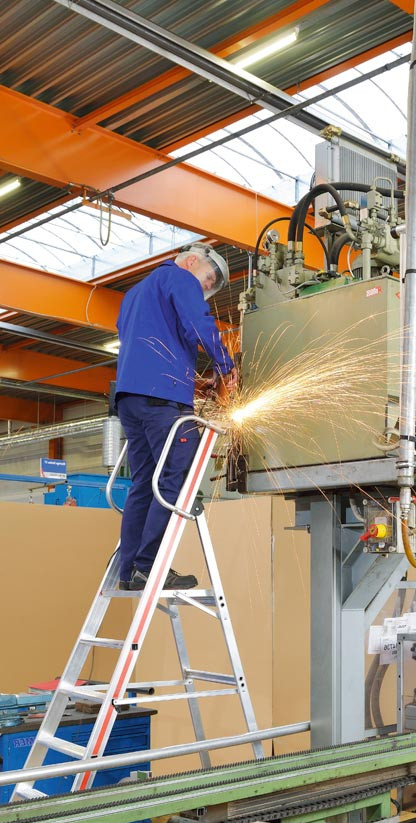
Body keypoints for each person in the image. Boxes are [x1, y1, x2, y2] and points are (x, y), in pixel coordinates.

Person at [115, 243, 236, 591]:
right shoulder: (181, 279)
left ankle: (129, 570)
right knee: (174, 477)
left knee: (144, 482)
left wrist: (191, 383)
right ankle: (150, 565)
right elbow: (197, 324)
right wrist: (226, 366)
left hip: (131, 398)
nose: (206, 288)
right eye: (208, 279)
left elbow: (150, 340)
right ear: (192, 260)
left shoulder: (135, 293)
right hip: (160, 400)